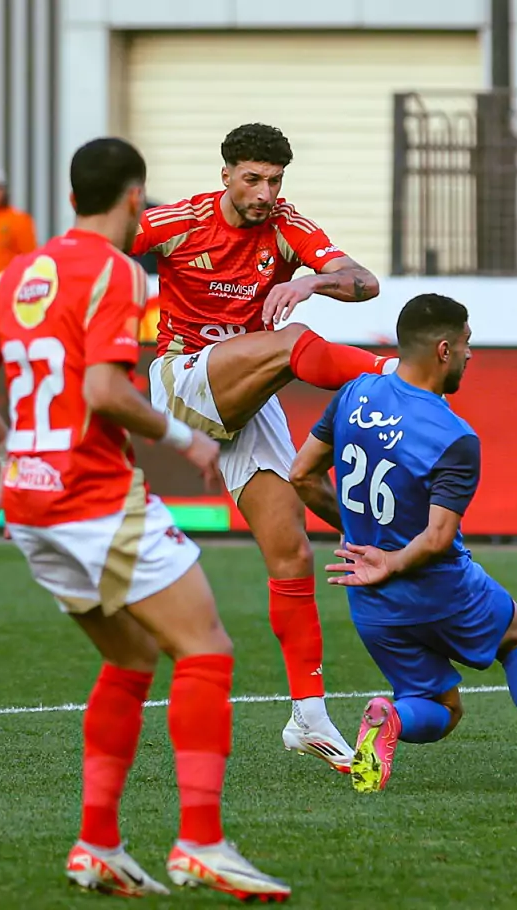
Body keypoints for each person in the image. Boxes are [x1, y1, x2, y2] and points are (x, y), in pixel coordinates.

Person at [0, 137, 289, 900]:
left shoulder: (18, 272)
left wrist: (6, 449)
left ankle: (97, 844)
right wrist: (186, 437)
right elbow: (104, 390)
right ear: (136, 200)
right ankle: (201, 842)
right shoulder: (117, 270)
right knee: (207, 648)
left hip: (29, 502)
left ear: (69, 199)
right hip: (89, 492)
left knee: (132, 659)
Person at [134, 122, 395, 772]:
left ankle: (308, 717)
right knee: (290, 344)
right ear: (225, 174)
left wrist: (310, 281)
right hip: (184, 378)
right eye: (252, 178)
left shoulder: (286, 226)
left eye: (275, 180)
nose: (264, 191)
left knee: (292, 555)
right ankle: (397, 378)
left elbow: (366, 282)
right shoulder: (175, 222)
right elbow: (102, 251)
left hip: (248, 391)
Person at [288, 294, 517, 794]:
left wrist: (360, 534)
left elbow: (302, 474)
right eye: (466, 344)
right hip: (436, 585)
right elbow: (438, 539)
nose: (470, 354)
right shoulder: (454, 436)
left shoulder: (354, 394)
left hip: (368, 595)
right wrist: (394, 558)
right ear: (444, 350)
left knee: (442, 708)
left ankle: (391, 718)